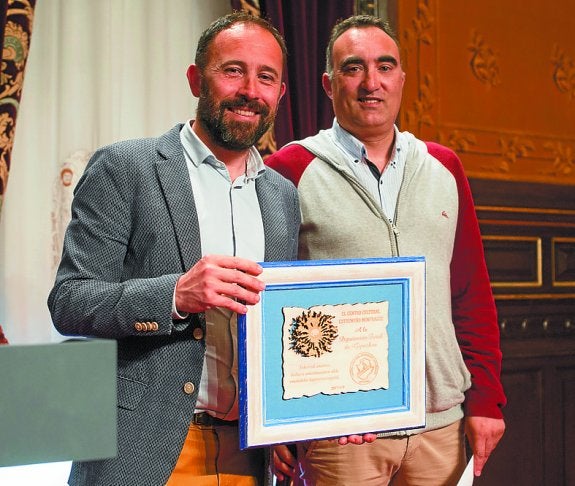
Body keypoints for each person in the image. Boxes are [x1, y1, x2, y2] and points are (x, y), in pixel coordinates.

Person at [48, 12, 300, 486]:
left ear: (281, 93)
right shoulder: (126, 167)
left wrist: (291, 420)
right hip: (141, 450)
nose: (250, 90)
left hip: (249, 455)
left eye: (266, 77)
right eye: (233, 70)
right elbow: (69, 302)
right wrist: (175, 296)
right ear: (195, 79)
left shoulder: (282, 195)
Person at [266, 14, 506, 486]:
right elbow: (265, 303)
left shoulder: (444, 167)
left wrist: (486, 400)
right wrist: (275, 419)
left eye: (384, 66)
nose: (370, 82)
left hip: (441, 423)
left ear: (401, 78)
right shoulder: (289, 169)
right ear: (329, 84)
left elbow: (471, 294)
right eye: (353, 68)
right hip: (339, 430)